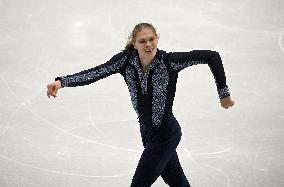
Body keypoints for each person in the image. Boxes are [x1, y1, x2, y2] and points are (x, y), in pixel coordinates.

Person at [47, 22, 235, 187]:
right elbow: (96, 73)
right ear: (134, 44)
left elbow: (212, 56)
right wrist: (62, 82)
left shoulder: (169, 62)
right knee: (176, 180)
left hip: (166, 134)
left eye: (151, 39)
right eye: (142, 41)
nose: (148, 44)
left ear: (157, 40)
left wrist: (223, 93)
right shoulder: (125, 62)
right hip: (146, 132)